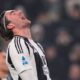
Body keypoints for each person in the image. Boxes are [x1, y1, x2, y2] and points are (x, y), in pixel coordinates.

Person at [0, 10, 51, 80]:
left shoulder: (37, 45)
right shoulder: (17, 44)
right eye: (13, 13)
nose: (20, 12)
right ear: (10, 25)